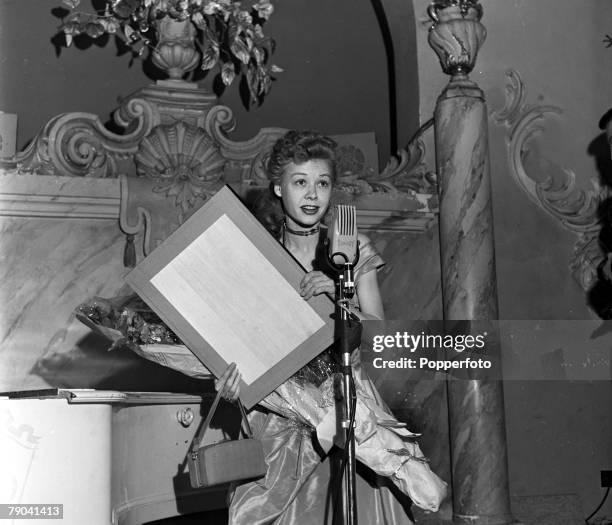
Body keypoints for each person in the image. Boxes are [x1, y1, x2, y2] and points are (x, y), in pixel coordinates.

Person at [215, 130, 446, 524]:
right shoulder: (258, 255)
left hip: (347, 402)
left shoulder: (354, 248)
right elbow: (240, 339)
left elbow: (380, 333)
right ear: (278, 187)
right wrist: (230, 381)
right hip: (280, 416)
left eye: (321, 183)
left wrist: (343, 298)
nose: (311, 195)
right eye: (300, 182)